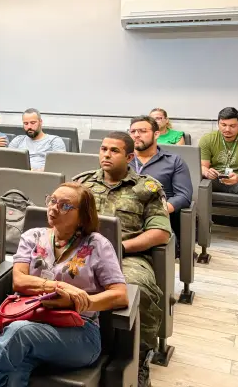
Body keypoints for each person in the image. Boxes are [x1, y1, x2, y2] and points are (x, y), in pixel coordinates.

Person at [0, 183, 128, 387]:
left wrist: (80, 302)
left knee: (18, 333)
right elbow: (19, 280)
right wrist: (60, 287)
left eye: (65, 206)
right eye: (52, 201)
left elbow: (120, 295)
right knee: (17, 365)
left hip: (80, 333)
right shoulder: (32, 237)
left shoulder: (97, 244)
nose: (54, 208)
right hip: (34, 319)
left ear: (83, 216)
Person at [75, 132, 171, 387]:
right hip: (82, 252)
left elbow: (160, 232)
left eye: (114, 151)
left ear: (129, 157)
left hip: (127, 255)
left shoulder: (146, 188)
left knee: (138, 288)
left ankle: (138, 358)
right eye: (103, 149)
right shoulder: (82, 183)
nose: (106, 154)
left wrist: (120, 248)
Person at [129, 116, 193, 257]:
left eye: (142, 131)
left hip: (156, 219)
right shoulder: (122, 159)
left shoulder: (173, 161)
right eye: (133, 131)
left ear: (156, 134)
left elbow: (184, 196)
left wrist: (159, 210)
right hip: (124, 216)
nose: (136, 135)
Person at [200, 107, 238, 198]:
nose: (227, 129)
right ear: (218, 123)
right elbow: (203, 166)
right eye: (223, 125)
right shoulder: (207, 139)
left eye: (232, 126)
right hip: (215, 180)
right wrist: (207, 172)